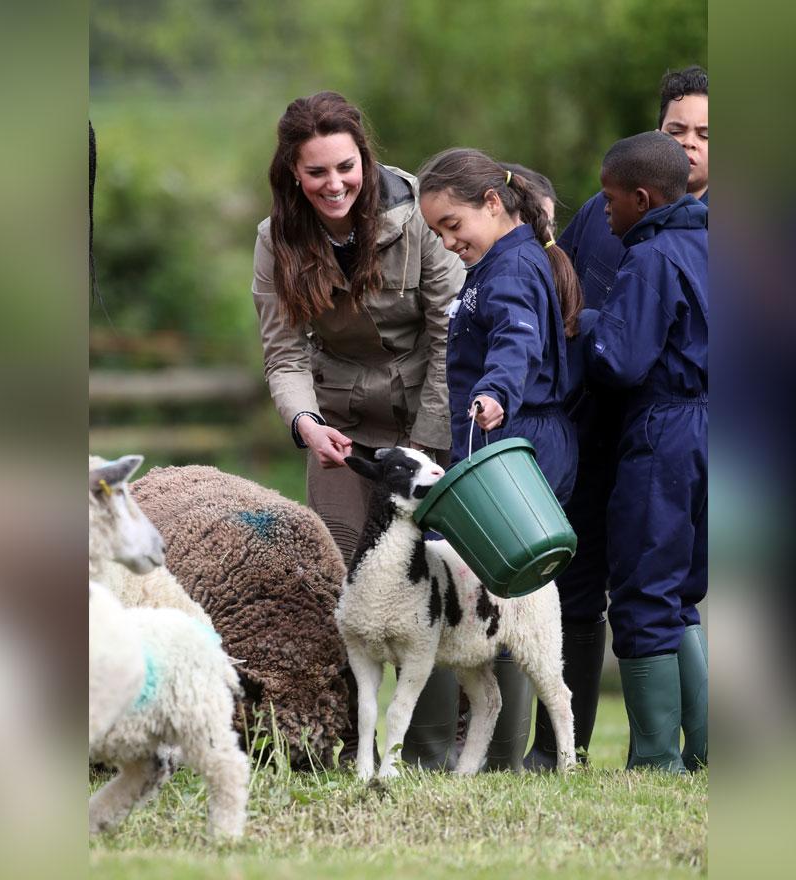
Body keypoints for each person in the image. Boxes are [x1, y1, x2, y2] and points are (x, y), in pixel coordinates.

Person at [250, 91, 465, 766]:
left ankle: (436, 747)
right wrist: (307, 424)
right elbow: (283, 353)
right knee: (345, 571)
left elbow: (451, 332)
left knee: (435, 568)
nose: (334, 183)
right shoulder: (274, 239)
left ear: (364, 160)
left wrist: (430, 441)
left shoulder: (419, 216)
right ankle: (350, 743)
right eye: (316, 173)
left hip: (430, 413)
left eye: (345, 167)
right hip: (342, 425)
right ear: (292, 174)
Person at [417, 148, 584, 771]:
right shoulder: (494, 262)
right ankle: (455, 747)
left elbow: (516, 340)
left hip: (517, 443)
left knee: (514, 585)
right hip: (497, 438)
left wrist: (495, 393)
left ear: (493, 203)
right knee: (485, 579)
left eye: (452, 225)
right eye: (437, 233)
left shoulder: (511, 270)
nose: (448, 241)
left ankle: (501, 753)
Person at [590, 132, 708, 772]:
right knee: (684, 589)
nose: (604, 213)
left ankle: (657, 757)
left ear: (641, 198)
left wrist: (587, 330)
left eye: (610, 201)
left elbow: (623, 362)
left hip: (666, 430)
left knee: (642, 589)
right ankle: (709, 749)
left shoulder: (653, 258)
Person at [658, 65, 709, 204]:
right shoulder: (614, 205)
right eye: (676, 132)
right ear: (655, 138)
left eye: (704, 135)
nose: (689, 142)